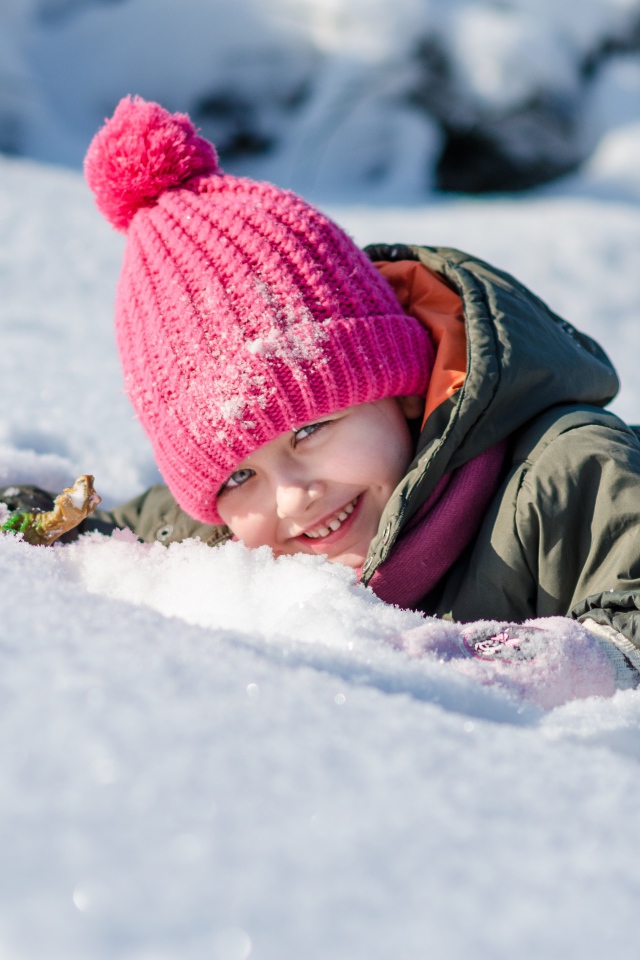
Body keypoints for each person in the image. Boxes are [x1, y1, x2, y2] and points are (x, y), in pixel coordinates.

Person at [3, 95, 640, 704]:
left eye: (311, 431)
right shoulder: (224, 525)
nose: (291, 496)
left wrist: (569, 666)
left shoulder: (567, 476)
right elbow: (104, 534)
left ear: (400, 386)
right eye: (242, 473)